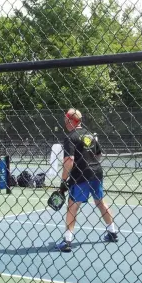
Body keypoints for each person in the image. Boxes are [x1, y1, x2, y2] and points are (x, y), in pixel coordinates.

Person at [55, 108, 118, 253]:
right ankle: (112, 232)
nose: (65, 123)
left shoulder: (70, 137)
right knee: (100, 201)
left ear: (70, 121)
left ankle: (67, 241)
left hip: (80, 176)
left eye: (66, 120)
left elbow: (69, 160)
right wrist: (89, 162)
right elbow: (99, 154)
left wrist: (63, 181)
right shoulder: (89, 135)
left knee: (72, 206)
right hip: (96, 173)